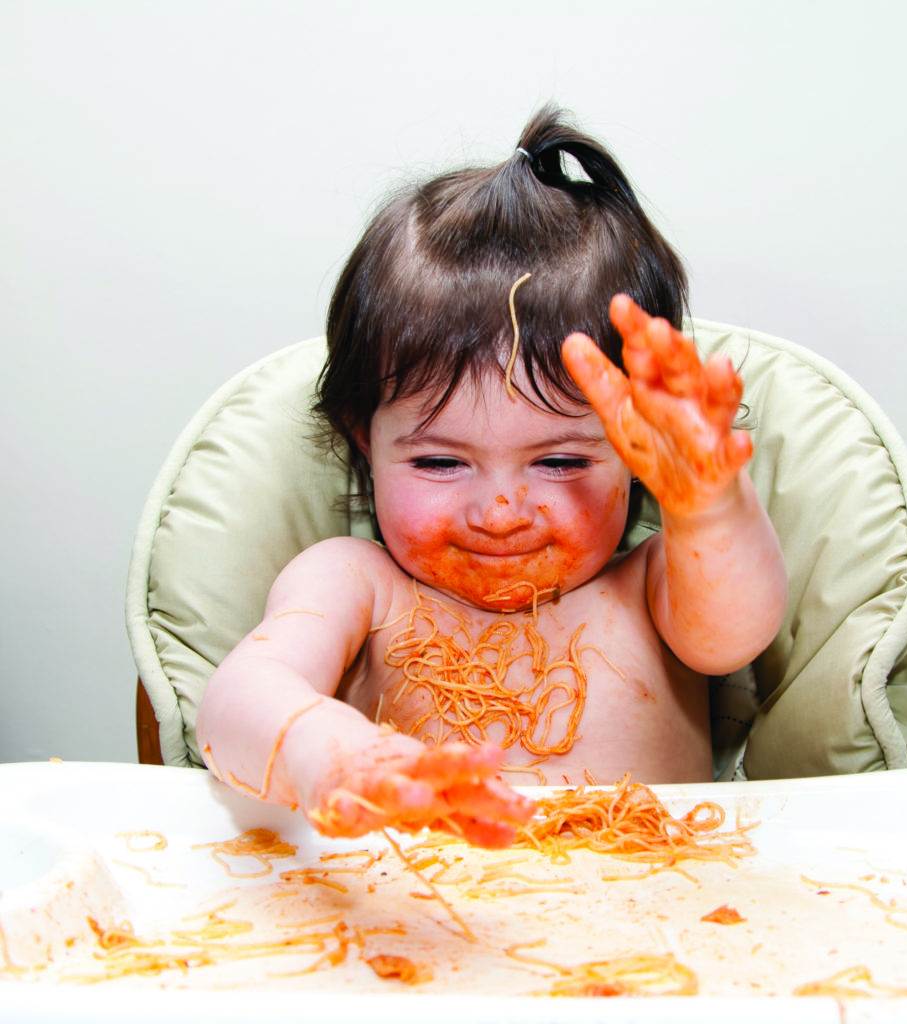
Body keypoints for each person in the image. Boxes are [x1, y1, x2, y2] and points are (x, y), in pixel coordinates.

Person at [195, 105, 787, 850]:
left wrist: (707, 506)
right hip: (423, 940)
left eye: (563, 461)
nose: (502, 511)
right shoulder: (357, 586)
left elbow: (739, 629)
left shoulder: (657, 591)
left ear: (636, 454)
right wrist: (336, 756)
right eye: (441, 461)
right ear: (362, 438)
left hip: (653, 937)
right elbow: (234, 705)